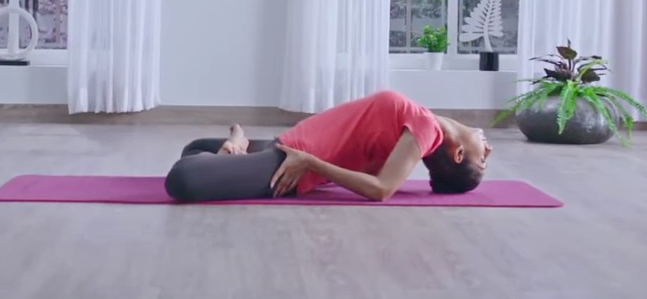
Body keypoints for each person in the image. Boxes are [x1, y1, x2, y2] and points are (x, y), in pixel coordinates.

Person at [164, 90, 492, 203]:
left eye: (483, 159)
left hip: (286, 166)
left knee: (183, 178)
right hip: (287, 145)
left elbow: (381, 189)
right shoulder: (420, 126)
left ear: (458, 154)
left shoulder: (425, 129)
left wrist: (310, 163)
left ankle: (236, 146)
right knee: (195, 147)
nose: (488, 149)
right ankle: (235, 148)